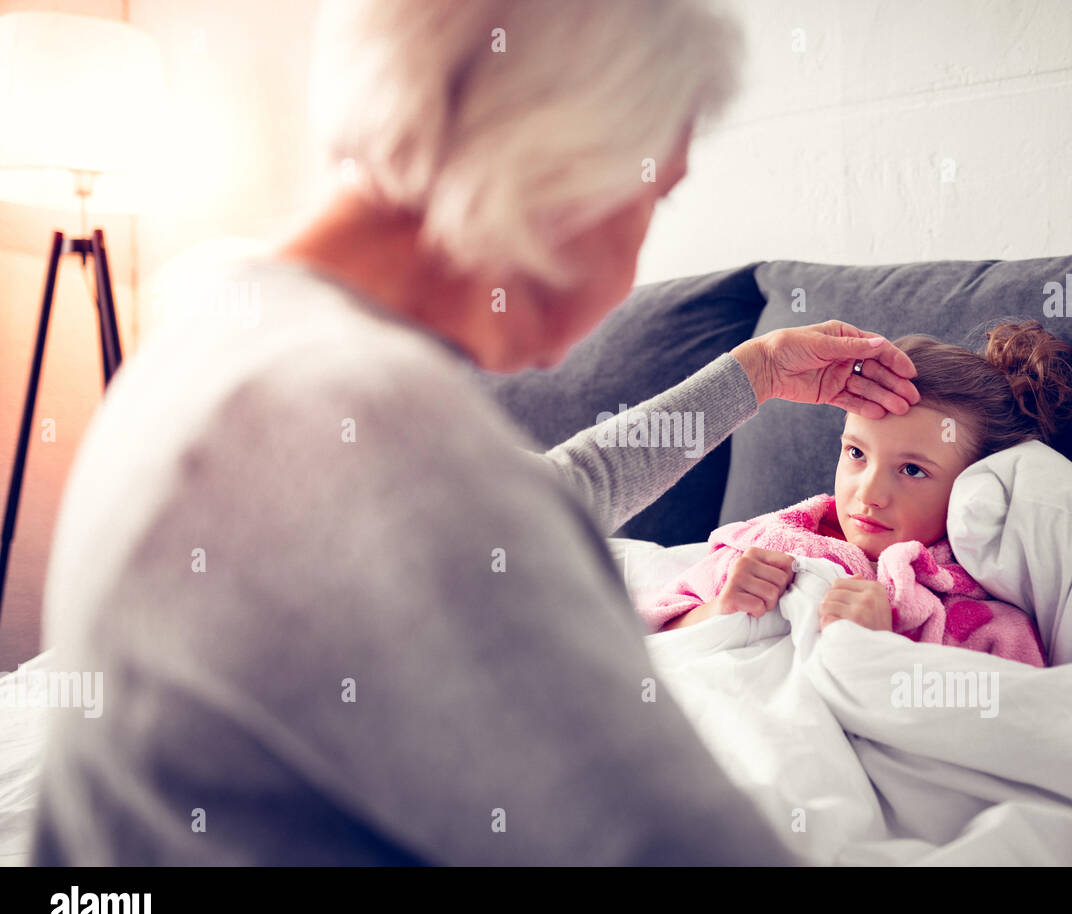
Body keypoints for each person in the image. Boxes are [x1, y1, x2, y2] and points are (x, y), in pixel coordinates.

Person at [28, 0, 921, 865]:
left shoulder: (221, 315)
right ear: (559, 158)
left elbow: (534, 499)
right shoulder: (371, 424)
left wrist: (754, 375)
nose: (640, 249)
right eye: (655, 194)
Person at [641, 321, 1072, 669]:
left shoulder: (982, 621)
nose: (869, 493)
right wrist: (721, 609)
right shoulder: (764, 544)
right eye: (856, 452)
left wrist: (884, 653)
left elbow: (1008, 727)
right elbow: (649, 637)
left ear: (974, 487)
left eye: (912, 470)